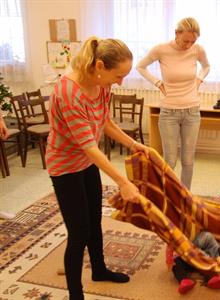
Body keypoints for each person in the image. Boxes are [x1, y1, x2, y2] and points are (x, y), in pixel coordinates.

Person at [45, 36, 151, 300]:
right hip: (65, 166)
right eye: (119, 75)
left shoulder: (102, 84)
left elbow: (104, 122)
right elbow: (89, 146)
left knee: (94, 220)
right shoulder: (68, 91)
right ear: (100, 65)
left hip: (86, 162)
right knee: (79, 230)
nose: (121, 81)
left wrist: (133, 144)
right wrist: (123, 182)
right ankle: (75, 294)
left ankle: (99, 270)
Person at [137, 17, 210, 190]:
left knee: (188, 160)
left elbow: (206, 66)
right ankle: (169, 196)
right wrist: (157, 82)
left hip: (192, 111)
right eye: (186, 40)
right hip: (169, 112)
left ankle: (185, 197)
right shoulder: (161, 49)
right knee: (170, 159)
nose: (188, 45)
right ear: (177, 33)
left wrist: (199, 79)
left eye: (193, 41)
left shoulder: (197, 49)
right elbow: (140, 66)